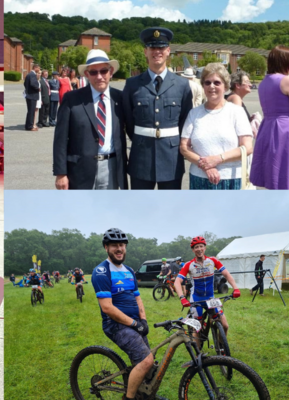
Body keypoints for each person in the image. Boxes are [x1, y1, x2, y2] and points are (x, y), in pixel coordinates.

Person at [123, 27, 193, 190]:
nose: (157, 52)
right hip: (141, 156)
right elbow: (128, 120)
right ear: (145, 51)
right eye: (152, 48)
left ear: (168, 51)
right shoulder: (132, 84)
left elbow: (185, 120)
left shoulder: (182, 85)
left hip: (171, 157)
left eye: (161, 48)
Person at [53, 49, 128, 190]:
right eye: (93, 72)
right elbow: (60, 139)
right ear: (87, 74)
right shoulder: (72, 99)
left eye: (103, 71)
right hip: (80, 170)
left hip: (112, 167)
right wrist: (60, 173)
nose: (99, 76)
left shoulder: (120, 98)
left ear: (111, 72)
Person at [92, 228, 152, 400]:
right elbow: (107, 308)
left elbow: (138, 298)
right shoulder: (102, 271)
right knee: (146, 361)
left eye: (122, 245)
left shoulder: (129, 270)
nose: (119, 249)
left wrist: (143, 320)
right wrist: (134, 324)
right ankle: (129, 398)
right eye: (114, 246)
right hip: (115, 325)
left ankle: (141, 391)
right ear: (106, 248)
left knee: (147, 363)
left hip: (134, 321)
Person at [180, 63, 253, 190]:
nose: (211, 86)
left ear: (225, 86)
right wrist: (206, 166)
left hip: (231, 178)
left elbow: (247, 147)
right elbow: (184, 147)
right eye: (207, 83)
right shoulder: (194, 113)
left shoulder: (236, 112)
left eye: (217, 83)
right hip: (199, 178)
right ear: (203, 86)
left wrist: (218, 159)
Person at [175, 236, 241, 346]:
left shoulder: (213, 261)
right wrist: (182, 298)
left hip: (211, 298)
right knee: (197, 328)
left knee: (225, 325)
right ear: (193, 250)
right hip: (197, 299)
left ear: (205, 248)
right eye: (196, 247)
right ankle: (197, 355)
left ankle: (221, 346)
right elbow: (177, 281)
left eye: (201, 246)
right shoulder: (189, 265)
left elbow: (226, 274)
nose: (199, 249)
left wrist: (236, 288)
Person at [250, 45, 289, 189]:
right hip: (285, 128)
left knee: (274, 169)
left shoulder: (264, 82)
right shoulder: (286, 81)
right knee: (285, 168)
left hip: (268, 126)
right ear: (285, 61)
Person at [24, 63, 41, 131]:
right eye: (39, 68)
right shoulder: (32, 75)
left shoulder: (29, 74)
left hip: (29, 95)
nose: (39, 70)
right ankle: (30, 126)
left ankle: (28, 125)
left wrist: (28, 89)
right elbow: (33, 84)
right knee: (31, 112)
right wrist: (38, 88)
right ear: (35, 68)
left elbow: (25, 84)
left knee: (30, 111)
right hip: (32, 95)